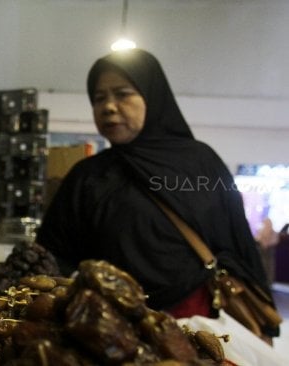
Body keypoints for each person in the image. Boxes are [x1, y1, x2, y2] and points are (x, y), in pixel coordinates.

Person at [36, 48, 279, 338]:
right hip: (111, 332)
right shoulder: (88, 177)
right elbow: (54, 255)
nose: (109, 107)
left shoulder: (199, 164)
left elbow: (234, 240)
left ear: (152, 97)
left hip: (192, 328)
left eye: (123, 94)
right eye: (99, 98)